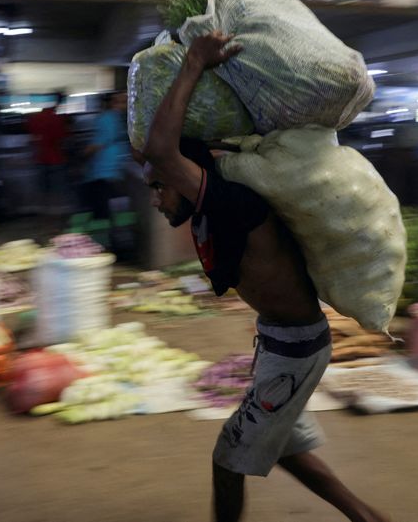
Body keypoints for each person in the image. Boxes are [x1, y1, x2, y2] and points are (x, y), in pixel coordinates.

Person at [139, 30, 390, 522]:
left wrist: (193, 64)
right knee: (286, 449)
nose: (155, 197)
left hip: (295, 349)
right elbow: (157, 152)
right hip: (279, 342)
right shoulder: (210, 200)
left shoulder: (234, 203)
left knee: (228, 459)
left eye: (158, 188)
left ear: (188, 175)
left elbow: (163, 151)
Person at [82, 91, 129, 220]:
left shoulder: (107, 118)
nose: (124, 105)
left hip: (104, 167)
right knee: (109, 203)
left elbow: (99, 142)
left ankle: (103, 228)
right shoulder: (117, 118)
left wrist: (83, 155)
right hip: (113, 166)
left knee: (101, 205)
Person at [27, 92, 70, 214]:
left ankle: (44, 210)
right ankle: (56, 210)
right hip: (56, 158)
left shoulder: (37, 117)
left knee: (43, 186)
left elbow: (32, 136)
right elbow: (63, 138)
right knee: (57, 186)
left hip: (41, 158)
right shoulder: (58, 119)